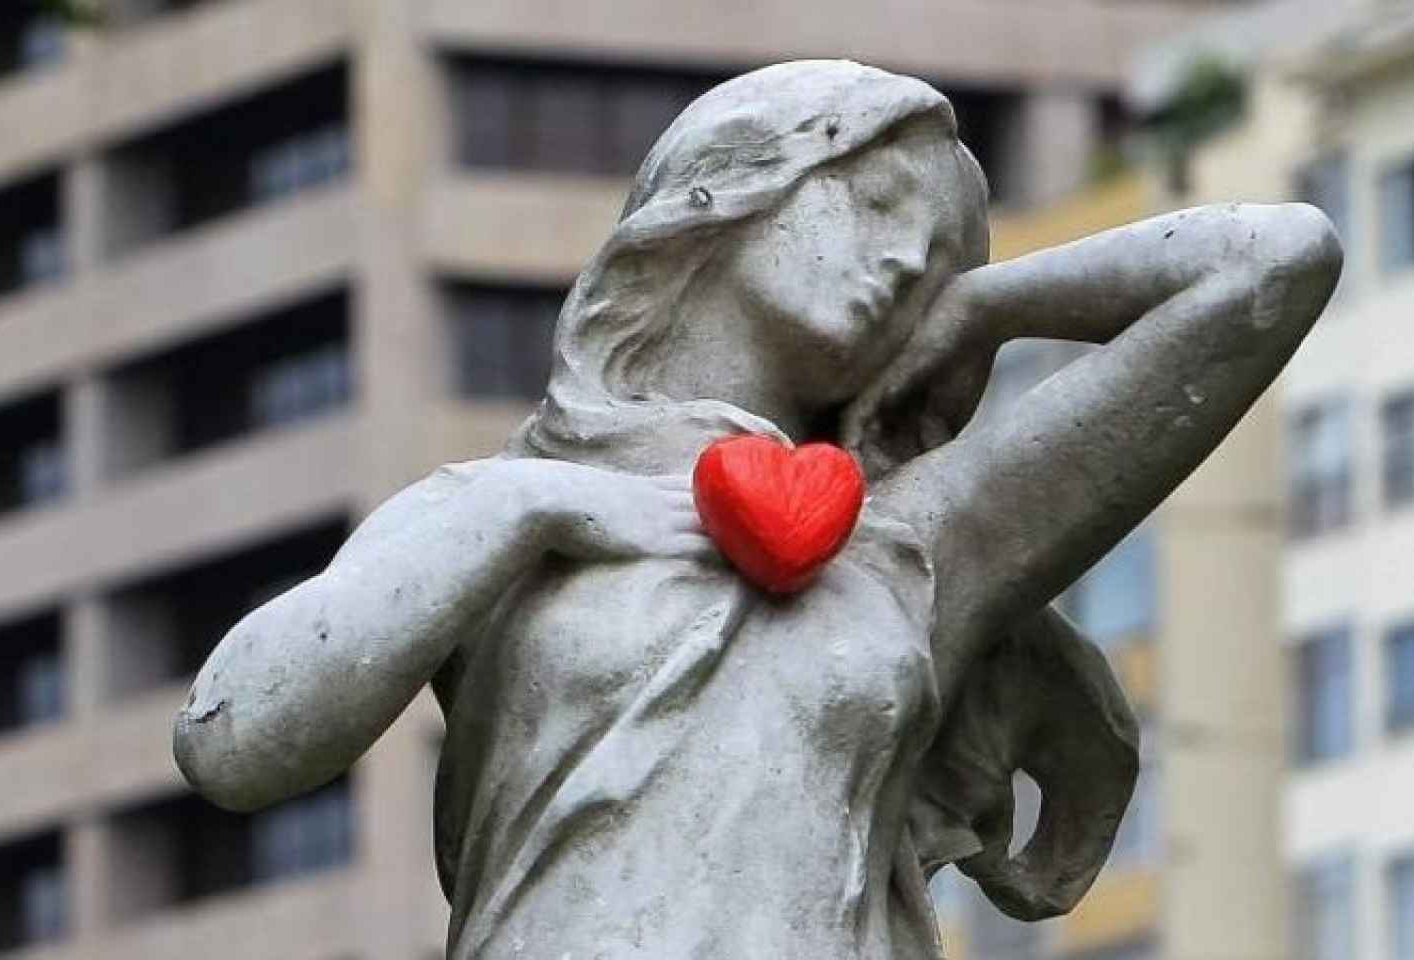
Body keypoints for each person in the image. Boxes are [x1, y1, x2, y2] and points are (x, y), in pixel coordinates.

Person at [173, 60, 1341, 958]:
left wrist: (985, 306)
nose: (902, 264)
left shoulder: (913, 541)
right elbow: (235, 742)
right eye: (875, 202)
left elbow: (1268, 262)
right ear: (729, 188)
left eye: (932, 256)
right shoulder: (492, 510)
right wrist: (534, 508)